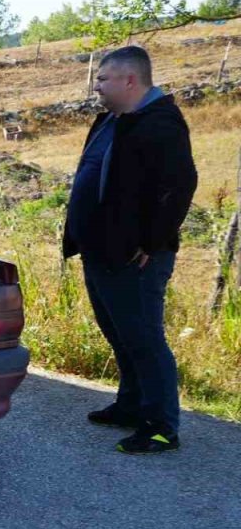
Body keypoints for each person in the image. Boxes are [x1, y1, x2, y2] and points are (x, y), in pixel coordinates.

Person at [63, 46, 198, 454]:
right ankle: (131, 404)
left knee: (143, 338)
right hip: (101, 249)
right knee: (119, 333)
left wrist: (152, 242)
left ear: (129, 81)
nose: (97, 86)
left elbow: (180, 186)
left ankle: (160, 427)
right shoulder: (111, 121)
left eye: (103, 79)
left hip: (135, 256)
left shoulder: (160, 124)